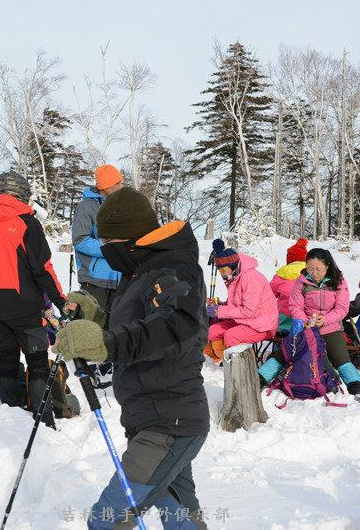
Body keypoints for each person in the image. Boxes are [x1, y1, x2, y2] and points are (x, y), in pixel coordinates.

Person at [54, 187, 209, 530]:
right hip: (153, 419)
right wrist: (94, 317)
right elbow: (136, 325)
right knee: (179, 515)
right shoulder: (140, 270)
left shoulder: (173, 269)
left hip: (168, 423)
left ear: (128, 238)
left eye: (108, 241)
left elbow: (175, 324)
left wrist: (104, 344)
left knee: (107, 520)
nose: (105, 250)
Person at [0, 171, 67, 428]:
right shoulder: (26, 223)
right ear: (22, 194)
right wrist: (60, 300)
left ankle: (11, 414)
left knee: (7, 359)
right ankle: (44, 421)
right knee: (37, 362)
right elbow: (42, 267)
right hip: (26, 305)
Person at [259, 247, 360, 403]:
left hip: (330, 328)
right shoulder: (302, 281)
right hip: (306, 328)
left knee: (341, 358)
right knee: (284, 354)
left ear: (328, 266)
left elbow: (342, 309)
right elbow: (295, 306)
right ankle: (259, 379)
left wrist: (325, 319)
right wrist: (304, 321)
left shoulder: (338, 282)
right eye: (310, 268)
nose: (314, 273)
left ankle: (357, 390)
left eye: (318, 269)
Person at [203, 239, 279, 364]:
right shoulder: (235, 277)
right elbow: (237, 305)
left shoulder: (251, 279)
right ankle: (223, 361)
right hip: (245, 321)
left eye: (223, 270)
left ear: (232, 266)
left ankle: (240, 367)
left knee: (231, 335)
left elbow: (249, 311)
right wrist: (219, 305)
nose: (222, 274)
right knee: (212, 331)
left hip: (262, 325)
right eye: (220, 271)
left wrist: (219, 311)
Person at [71, 164, 124, 319]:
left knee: (114, 330)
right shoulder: (86, 207)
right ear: (107, 187)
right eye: (118, 183)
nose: (121, 187)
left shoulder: (120, 206)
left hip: (120, 280)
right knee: (91, 329)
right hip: (94, 281)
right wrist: (109, 247)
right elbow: (80, 240)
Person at [269, 237, 308, 333]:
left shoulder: (281, 274)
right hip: (306, 319)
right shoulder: (313, 273)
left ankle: (278, 346)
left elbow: (269, 295)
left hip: (283, 319)